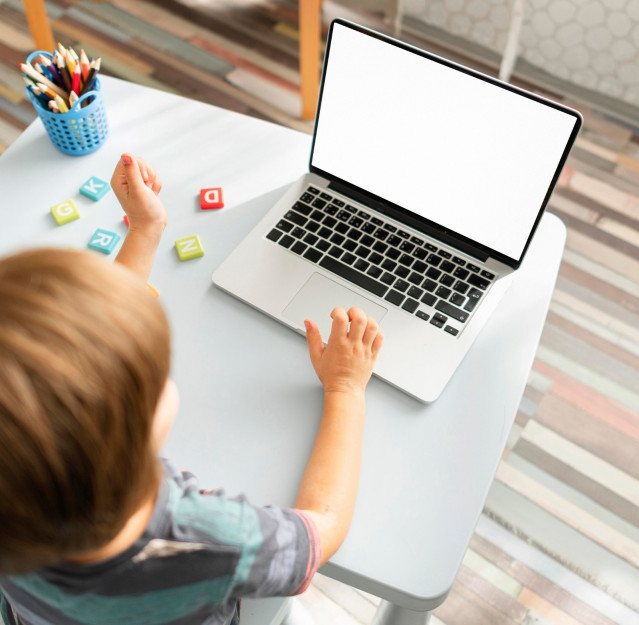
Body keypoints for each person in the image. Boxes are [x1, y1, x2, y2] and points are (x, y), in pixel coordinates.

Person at [0, 154, 384, 625]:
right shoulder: (207, 538)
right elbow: (321, 533)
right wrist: (346, 389)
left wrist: (145, 228)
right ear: (131, 433)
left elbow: (86, 361)